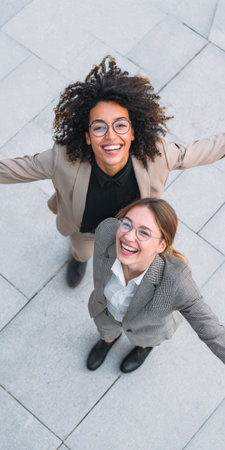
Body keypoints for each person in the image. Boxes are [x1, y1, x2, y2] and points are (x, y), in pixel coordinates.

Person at [0, 56, 224, 288]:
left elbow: (199, 152)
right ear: (87, 136)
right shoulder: (62, 160)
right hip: (85, 230)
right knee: (83, 250)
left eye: (120, 125)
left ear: (133, 132)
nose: (110, 135)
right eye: (99, 127)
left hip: (131, 232)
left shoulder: (158, 155)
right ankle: (79, 259)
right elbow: (15, 169)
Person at [87, 198, 225, 373]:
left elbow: (213, 332)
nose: (127, 236)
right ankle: (108, 341)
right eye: (127, 224)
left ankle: (142, 349)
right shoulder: (107, 231)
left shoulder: (176, 280)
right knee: (106, 330)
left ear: (161, 245)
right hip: (106, 312)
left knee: (145, 341)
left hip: (148, 329)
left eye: (144, 233)